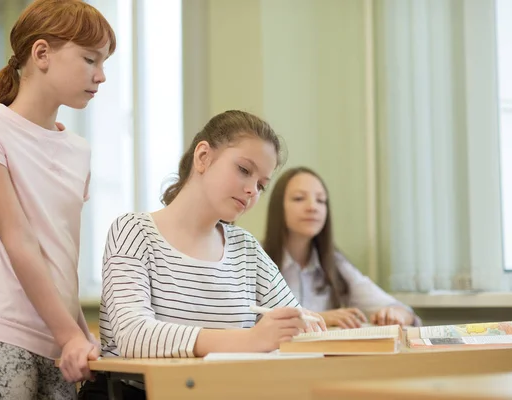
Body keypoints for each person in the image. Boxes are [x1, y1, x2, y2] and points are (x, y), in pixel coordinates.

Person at [78, 111, 326, 399]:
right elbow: (135, 336)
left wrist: (299, 326)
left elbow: (296, 328)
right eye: (244, 170)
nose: (251, 191)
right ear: (203, 157)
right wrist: (251, 340)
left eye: (261, 185)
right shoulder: (133, 231)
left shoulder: (246, 249)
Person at [0, 1, 116, 398]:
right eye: (90, 59)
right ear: (41, 54)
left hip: (60, 346)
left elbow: (61, 254)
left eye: (104, 63)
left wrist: (80, 338)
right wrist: (71, 335)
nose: (101, 76)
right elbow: (18, 238)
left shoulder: (78, 149)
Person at [263, 167, 421, 329]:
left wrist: (395, 314)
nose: (313, 207)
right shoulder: (256, 260)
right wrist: (320, 318)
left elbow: (403, 311)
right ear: (278, 207)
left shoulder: (335, 263)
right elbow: (245, 325)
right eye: (299, 198)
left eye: (321, 200)